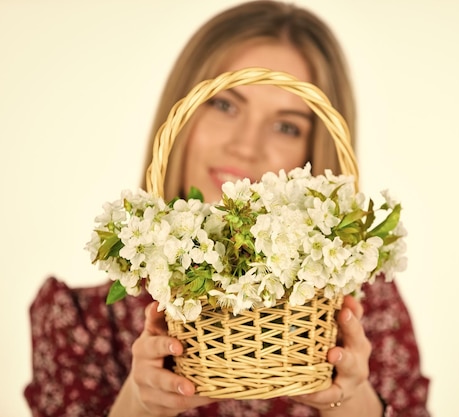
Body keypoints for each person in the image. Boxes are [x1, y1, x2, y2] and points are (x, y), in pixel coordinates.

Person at [24, 1, 430, 416]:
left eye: (286, 126)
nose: (245, 145)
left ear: (315, 151)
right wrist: (141, 404)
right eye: (225, 105)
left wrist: (350, 394)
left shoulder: (360, 309)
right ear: (182, 111)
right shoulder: (82, 325)